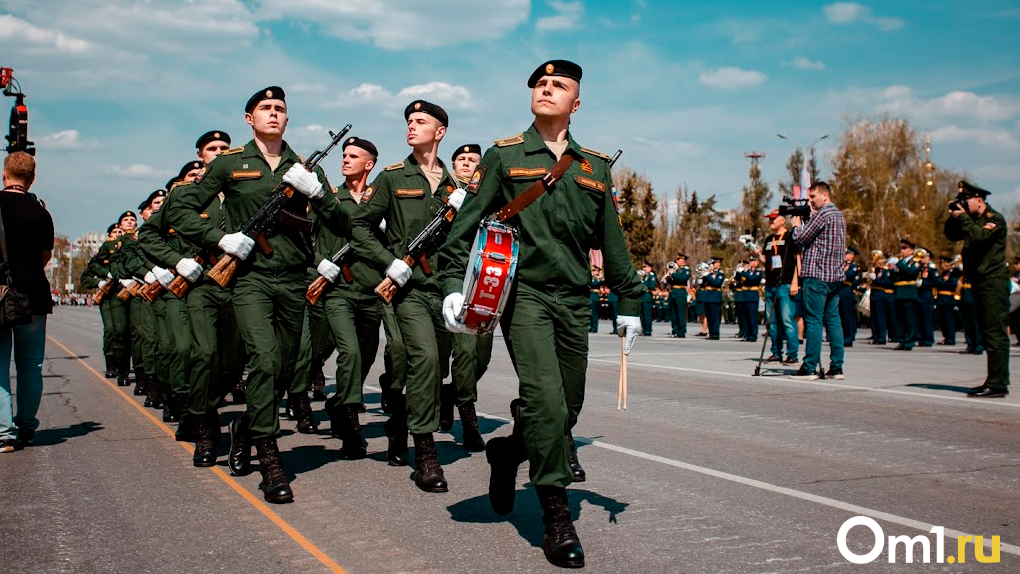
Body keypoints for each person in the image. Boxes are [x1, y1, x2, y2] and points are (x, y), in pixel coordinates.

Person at [438, 60, 643, 569]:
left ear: (577, 103)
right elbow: (464, 227)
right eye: (541, 85)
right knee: (546, 402)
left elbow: (611, 237)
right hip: (524, 296)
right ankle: (556, 514)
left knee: (567, 408)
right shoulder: (505, 156)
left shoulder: (594, 165)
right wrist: (450, 286)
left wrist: (630, 300)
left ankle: (508, 454)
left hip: (575, 300)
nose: (547, 90)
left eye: (559, 86)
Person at [167, 86, 350, 502]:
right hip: (249, 278)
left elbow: (340, 222)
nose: (273, 113)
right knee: (264, 360)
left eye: (280, 109)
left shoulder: (303, 168)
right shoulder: (231, 164)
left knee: (287, 370)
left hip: (293, 279)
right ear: (249, 119)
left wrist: (318, 193)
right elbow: (178, 211)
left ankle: (246, 427)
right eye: (265, 108)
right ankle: (270, 460)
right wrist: (221, 238)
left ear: (288, 119)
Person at [350, 99, 464, 492]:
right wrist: (388, 262)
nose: (411, 127)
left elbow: (462, 245)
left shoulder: (455, 189)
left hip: (444, 291)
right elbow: (360, 227)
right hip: (409, 290)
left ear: (440, 132)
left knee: (437, 370)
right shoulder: (393, 177)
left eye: (420, 121)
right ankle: (427, 456)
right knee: (426, 361)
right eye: (409, 122)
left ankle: (399, 419)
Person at [316, 136, 387, 459]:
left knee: (366, 357)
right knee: (350, 353)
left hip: (371, 291)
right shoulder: (331, 198)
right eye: (344, 154)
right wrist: (319, 262)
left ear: (369, 164)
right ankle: (351, 427)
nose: (345, 160)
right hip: (339, 291)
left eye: (353, 156)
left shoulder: (380, 199)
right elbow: (309, 234)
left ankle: (339, 402)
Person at [0, 152, 54, 453]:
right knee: (31, 366)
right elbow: (46, 256)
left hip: (0, 296)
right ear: (31, 178)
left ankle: (3, 433)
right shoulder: (41, 212)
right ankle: (26, 427)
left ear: (4, 174)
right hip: (33, 295)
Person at [944, 180, 1010, 398]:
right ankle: (992, 380)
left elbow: (980, 237)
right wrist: (954, 216)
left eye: (966, 199)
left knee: (994, 333)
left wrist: (962, 217)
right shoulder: (971, 221)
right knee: (986, 332)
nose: (963, 203)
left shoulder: (994, 220)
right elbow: (952, 235)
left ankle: (998, 383)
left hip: (993, 282)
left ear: (979, 200)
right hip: (980, 283)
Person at [790, 181, 846, 380]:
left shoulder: (823, 215)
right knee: (832, 320)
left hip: (817, 276)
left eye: (813, 197)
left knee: (813, 320)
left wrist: (796, 226)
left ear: (825, 195)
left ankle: (809, 366)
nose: (810, 202)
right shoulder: (839, 215)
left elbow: (800, 238)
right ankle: (836, 367)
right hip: (835, 277)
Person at [758, 209, 799, 365]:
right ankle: (776, 352)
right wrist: (757, 255)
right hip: (770, 284)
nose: (771, 222)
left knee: (787, 319)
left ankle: (792, 354)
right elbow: (766, 260)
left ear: (783, 220)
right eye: (769, 219)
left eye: (774, 219)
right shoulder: (769, 239)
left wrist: (795, 281)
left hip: (786, 283)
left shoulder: (790, 237)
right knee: (771, 322)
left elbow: (797, 260)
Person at [891, 239, 920, 351]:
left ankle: (909, 342)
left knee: (909, 319)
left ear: (911, 250)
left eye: (905, 248)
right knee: (900, 320)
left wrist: (897, 263)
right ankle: (902, 340)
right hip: (899, 293)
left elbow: (911, 272)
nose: (902, 250)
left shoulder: (915, 261)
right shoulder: (902, 262)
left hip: (909, 293)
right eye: (902, 248)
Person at [735, 257, 763, 341]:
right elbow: (738, 279)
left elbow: (751, 279)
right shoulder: (746, 271)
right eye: (750, 261)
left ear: (757, 262)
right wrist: (739, 271)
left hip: (752, 296)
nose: (751, 263)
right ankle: (747, 334)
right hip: (744, 296)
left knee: (752, 317)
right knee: (745, 316)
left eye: (753, 261)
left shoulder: (758, 272)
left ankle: (753, 335)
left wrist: (744, 272)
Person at [839, 247, 861, 347]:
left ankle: (848, 337)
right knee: (841, 317)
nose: (845, 255)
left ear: (852, 255)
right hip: (839, 292)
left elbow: (848, 276)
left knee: (848, 317)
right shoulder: (840, 265)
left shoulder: (854, 267)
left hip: (847, 293)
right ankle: (841, 336)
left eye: (847, 254)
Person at [935, 256, 959, 345]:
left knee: (949, 320)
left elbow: (952, 284)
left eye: (945, 263)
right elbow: (936, 282)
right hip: (941, 299)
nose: (943, 265)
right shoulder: (943, 273)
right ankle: (946, 337)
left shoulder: (952, 273)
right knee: (943, 320)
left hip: (948, 299)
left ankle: (951, 338)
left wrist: (943, 283)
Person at [665, 253, 690, 338]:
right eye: (678, 260)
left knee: (680, 313)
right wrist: (668, 278)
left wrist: (673, 274)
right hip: (674, 292)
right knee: (673, 313)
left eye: (681, 260)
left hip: (681, 292)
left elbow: (682, 278)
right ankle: (675, 330)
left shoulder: (685, 270)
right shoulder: (674, 270)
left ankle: (681, 331)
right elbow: (669, 281)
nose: (679, 261)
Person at [700, 257, 725, 339]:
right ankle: (711, 333)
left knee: (715, 317)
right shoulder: (709, 273)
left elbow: (716, 283)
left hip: (715, 296)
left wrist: (708, 276)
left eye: (715, 263)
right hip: (707, 296)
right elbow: (703, 285)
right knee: (709, 316)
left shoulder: (720, 274)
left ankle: (715, 334)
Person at [639, 262, 656, 335]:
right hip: (641, 296)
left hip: (647, 296)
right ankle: (643, 329)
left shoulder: (651, 276)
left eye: (646, 267)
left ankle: (648, 330)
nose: (644, 268)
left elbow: (652, 286)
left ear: (650, 268)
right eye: (643, 267)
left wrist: (642, 282)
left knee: (647, 314)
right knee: (641, 315)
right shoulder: (642, 276)